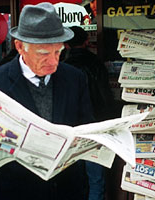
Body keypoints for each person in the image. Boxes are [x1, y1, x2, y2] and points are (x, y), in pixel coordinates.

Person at [0, 3, 93, 200]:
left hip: (68, 190)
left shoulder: (75, 78)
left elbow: (86, 125)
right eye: (43, 54)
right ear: (19, 47)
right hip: (15, 192)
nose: (53, 62)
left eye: (58, 52)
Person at [63, 26, 116, 200]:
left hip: (68, 129)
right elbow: (104, 96)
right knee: (96, 179)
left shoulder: (60, 66)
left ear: (66, 44)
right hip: (94, 127)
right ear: (86, 42)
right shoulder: (95, 63)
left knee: (69, 177)